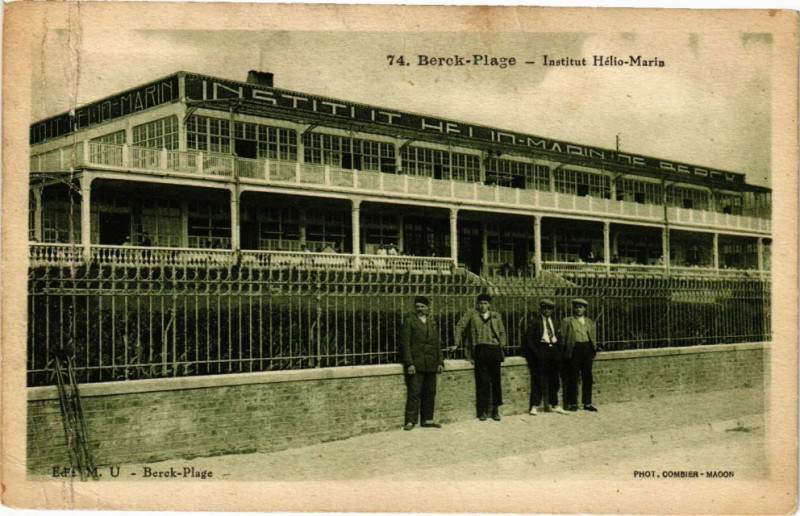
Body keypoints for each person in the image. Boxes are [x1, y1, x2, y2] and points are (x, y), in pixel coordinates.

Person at [452, 293, 506, 421]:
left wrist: (501, 345)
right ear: (477, 304)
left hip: (494, 349)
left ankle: (495, 409)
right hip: (480, 349)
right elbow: (459, 326)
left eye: (485, 303)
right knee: (482, 382)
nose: (483, 306)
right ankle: (483, 411)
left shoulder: (495, 315)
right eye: (481, 303)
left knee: (496, 381)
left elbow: (502, 331)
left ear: (489, 305)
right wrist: (456, 343)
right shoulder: (471, 314)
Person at [400, 296, 444, 431]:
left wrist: (440, 362)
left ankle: (427, 419)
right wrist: (409, 363)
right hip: (417, 363)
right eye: (417, 306)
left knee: (430, 392)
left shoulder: (431, 322)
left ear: (427, 308)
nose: (419, 309)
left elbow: (437, 343)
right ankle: (410, 421)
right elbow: (405, 344)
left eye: (422, 306)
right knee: (414, 392)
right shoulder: (409, 321)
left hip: (431, 363)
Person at [522, 299, 568, 416]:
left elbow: (559, 338)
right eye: (544, 308)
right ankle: (534, 406)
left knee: (554, 379)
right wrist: (536, 353)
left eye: (549, 308)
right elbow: (529, 340)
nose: (547, 311)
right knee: (539, 379)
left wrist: (560, 352)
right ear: (541, 309)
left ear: (552, 310)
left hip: (554, 351)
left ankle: (555, 404)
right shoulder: (535, 322)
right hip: (542, 349)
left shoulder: (555, 322)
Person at [561, 298, 599, 412]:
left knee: (587, 377)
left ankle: (587, 403)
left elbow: (593, 336)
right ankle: (572, 403)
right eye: (576, 307)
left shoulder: (589, 321)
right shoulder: (567, 321)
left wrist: (593, 349)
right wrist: (566, 352)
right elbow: (563, 338)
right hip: (574, 349)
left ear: (585, 309)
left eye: (581, 307)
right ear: (573, 308)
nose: (578, 309)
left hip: (586, 348)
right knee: (573, 376)